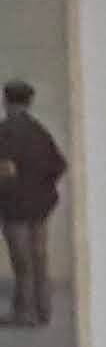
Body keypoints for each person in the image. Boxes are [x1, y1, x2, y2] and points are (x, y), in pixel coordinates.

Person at [0, 78, 62, 328]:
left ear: (6, 101)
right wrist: (39, 187)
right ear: (29, 102)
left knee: (21, 263)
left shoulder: (5, 131)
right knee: (39, 260)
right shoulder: (39, 131)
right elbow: (59, 165)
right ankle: (43, 312)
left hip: (15, 208)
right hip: (40, 207)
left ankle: (23, 314)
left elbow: (5, 171)